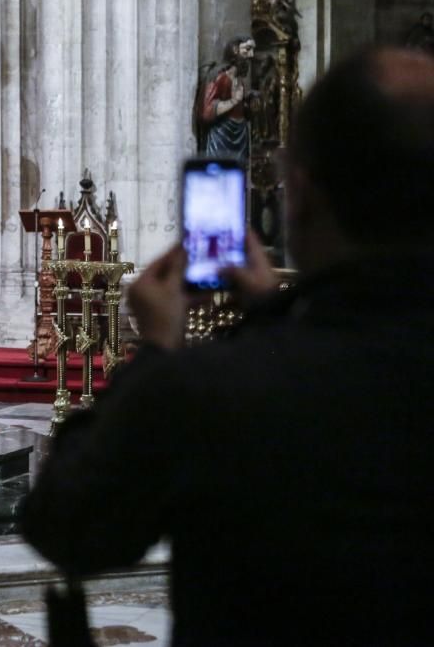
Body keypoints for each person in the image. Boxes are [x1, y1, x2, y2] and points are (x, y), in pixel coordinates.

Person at [22, 47, 434, 646]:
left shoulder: (218, 389)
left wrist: (158, 355)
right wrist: (271, 314)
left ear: (303, 195)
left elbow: (64, 522)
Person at [195, 36, 256, 162]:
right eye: (247, 49)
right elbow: (206, 112)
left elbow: (240, 109)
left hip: (239, 136)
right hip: (221, 136)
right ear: (235, 49)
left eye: (252, 50)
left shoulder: (239, 81)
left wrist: (248, 104)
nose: (251, 55)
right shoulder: (220, 77)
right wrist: (233, 101)